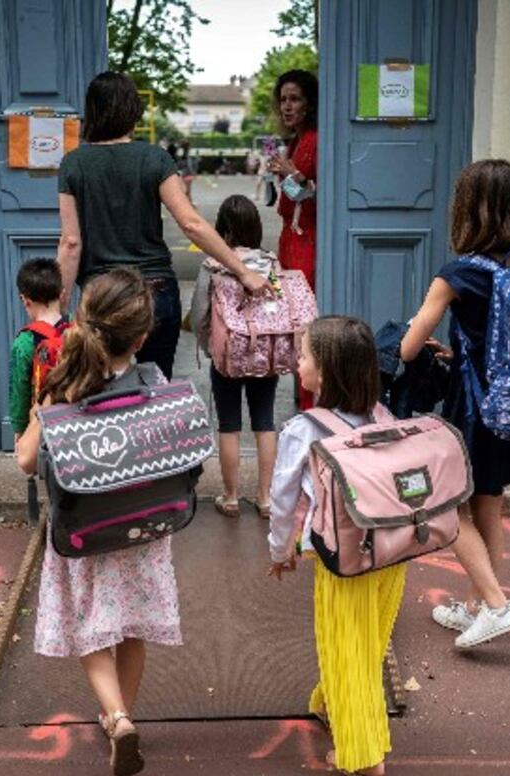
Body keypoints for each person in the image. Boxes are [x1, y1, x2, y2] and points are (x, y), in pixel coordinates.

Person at [266, 317, 510, 776]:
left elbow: (283, 500)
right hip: (391, 551)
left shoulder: (304, 429)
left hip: (342, 559)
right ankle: (331, 702)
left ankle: (364, 754)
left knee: (346, 645)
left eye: (304, 356)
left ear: (327, 373)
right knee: (369, 640)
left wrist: (281, 549)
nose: (297, 363)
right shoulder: (384, 417)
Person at [14, 268, 182, 776]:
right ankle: (119, 717)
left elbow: (26, 460)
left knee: (90, 627)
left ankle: (118, 717)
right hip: (142, 530)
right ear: (143, 335)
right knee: (132, 627)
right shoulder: (153, 382)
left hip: (82, 532)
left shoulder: (65, 386)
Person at [399, 160, 510, 640]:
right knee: (488, 506)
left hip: (473, 410)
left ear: (466, 210)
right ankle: (477, 604)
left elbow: (409, 347)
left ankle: (496, 605)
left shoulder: (457, 274)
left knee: (450, 508)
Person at [58, 72, 265, 380]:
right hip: (156, 292)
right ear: (133, 111)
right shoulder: (155, 158)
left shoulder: (73, 163)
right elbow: (192, 223)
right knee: (156, 392)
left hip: (103, 296)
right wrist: (244, 271)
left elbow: (71, 243)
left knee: (100, 391)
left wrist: (58, 308)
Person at [200, 195, 279, 519]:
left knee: (229, 424)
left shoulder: (212, 263)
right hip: (265, 354)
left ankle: (231, 497)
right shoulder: (270, 261)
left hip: (228, 354)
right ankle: (264, 499)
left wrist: (209, 345)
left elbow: (200, 311)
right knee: (265, 422)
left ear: (223, 229)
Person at [267, 69, 320, 411]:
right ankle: (304, 400)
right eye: (283, 99)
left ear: (310, 103)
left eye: (295, 99)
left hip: (305, 240)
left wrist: (290, 175)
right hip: (293, 238)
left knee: (304, 325)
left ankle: (309, 404)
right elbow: (297, 195)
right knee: (296, 323)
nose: (287, 106)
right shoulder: (297, 139)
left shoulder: (313, 140)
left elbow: (314, 197)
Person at [7, 257, 67, 437]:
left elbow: (19, 390)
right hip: (78, 418)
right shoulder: (78, 329)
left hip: (42, 423)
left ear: (25, 300)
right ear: (62, 294)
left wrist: (20, 429)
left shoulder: (25, 341)